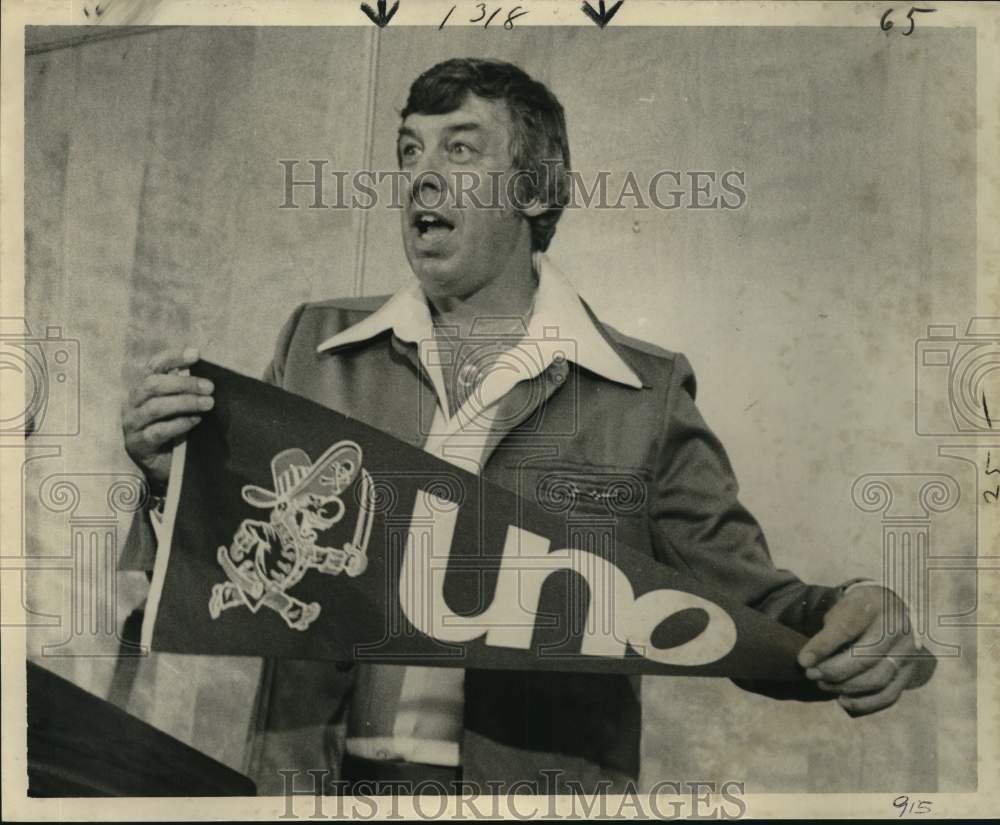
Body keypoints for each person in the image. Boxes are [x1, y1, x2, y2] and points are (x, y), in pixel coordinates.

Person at [120, 58, 934, 795]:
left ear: (536, 190)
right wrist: (169, 477)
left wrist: (853, 608)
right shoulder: (315, 343)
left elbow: (745, 602)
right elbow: (237, 556)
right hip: (318, 789)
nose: (423, 178)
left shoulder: (642, 393)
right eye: (410, 151)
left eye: (461, 151)